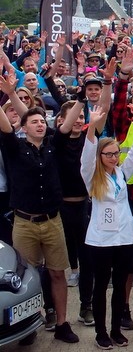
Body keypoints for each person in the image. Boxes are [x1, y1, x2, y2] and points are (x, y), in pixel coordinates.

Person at [0, 96, 79, 343]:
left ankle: (62, 323)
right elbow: (5, 128)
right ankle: (28, 325)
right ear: (24, 128)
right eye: (34, 122)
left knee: (57, 273)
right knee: (26, 278)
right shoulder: (14, 148)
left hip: (53, 221)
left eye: (42, 121)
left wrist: (81, 99)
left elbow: (67, 126)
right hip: (24, 223)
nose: (40, 124)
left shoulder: (53, 147)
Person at [81, 104, 133, 349]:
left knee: (120, 286)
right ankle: (101, 332)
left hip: (124, 237)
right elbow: (86, 157)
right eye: (108, 154)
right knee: (101, 286)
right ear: (100, 155)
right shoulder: (92, 176)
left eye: (116, 153)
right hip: (101, 240)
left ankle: (115, 330)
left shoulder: (121, 173)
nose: (113, 157)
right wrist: (92, 128)